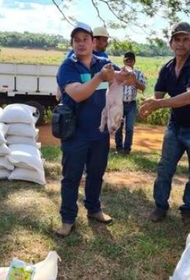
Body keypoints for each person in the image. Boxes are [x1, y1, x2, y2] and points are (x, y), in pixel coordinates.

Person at [139, 22, 190, 226]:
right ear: (171, 43)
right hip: (176, 126)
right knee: (164, 168)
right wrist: (145, 101)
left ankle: (188, 209)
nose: (181, 44)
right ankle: (160, 206)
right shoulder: (167, 68)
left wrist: (157, 104)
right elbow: (156, 96)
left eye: (185, 40)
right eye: (177, 40)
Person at [54, 22, 117, 237]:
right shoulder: (67, 67)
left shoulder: (105, 63)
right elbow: (79, 93)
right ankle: (68, 218)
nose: (81, 44)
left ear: (93, 42)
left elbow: (117, 81)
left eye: (85, 39)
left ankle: (94, 208)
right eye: (76, 40)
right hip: (75, 133)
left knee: (96, 174)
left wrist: (130, 78)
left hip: (99, 132)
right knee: (71, 177)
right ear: (72, 43)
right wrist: (100, 77)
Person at [115, 51, 146, 154]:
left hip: (131, 104)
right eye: (126, 60)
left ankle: (126, 150)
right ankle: (119, 148)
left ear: (134, 62)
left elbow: (143, 88)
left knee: (129, 128)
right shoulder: (118, 72)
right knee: (118, 127)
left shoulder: (138, 73)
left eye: (130, 61)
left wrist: (135, 81)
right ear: (123, 61)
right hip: (119, 103)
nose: (128, 63)